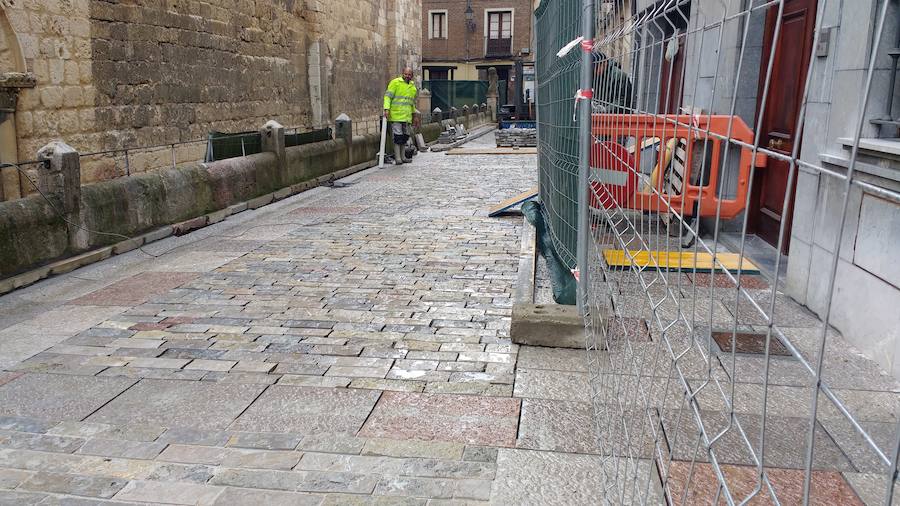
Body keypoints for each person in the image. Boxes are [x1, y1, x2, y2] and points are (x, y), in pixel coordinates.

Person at [383, 67, 418, 165]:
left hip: (407, 117)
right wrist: (386, 109)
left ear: (412, 76)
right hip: (396, 115)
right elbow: (387, 96)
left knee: (405, 137)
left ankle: (403, 157)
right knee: (398, 137)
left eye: (409, 74)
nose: (407, 76)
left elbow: (412, 103)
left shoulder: (412, 87)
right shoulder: (395, 83)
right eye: (405, 74)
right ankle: (398, 158)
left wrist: (414, 116)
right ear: (402, 73)